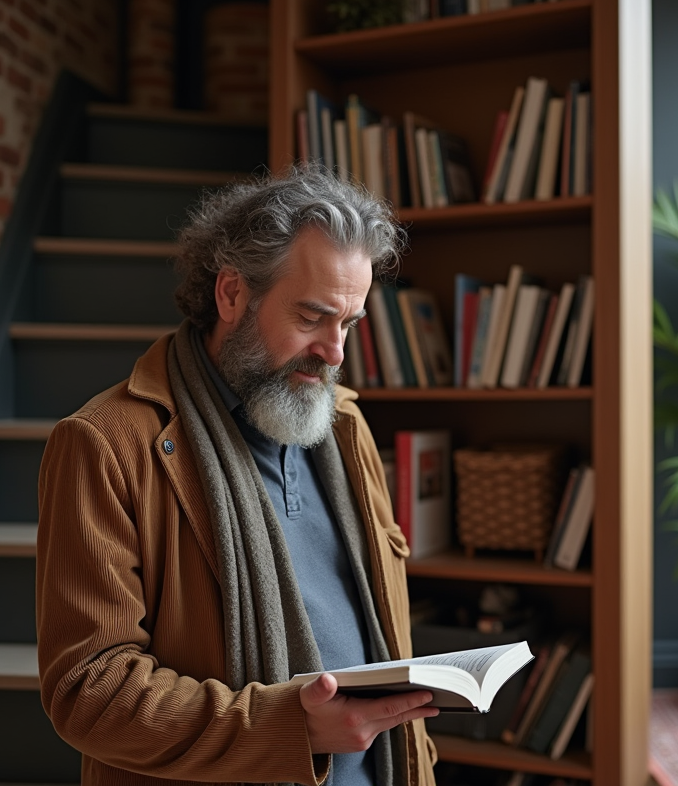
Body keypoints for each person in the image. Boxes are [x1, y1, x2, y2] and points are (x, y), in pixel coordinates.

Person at [36, 168, 440, 786]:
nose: (334, 352)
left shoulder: (346, 425)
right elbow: (89, 690)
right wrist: (291, 729)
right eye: (312, 316)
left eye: (348, 323)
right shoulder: (106, 444)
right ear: (231, 294)